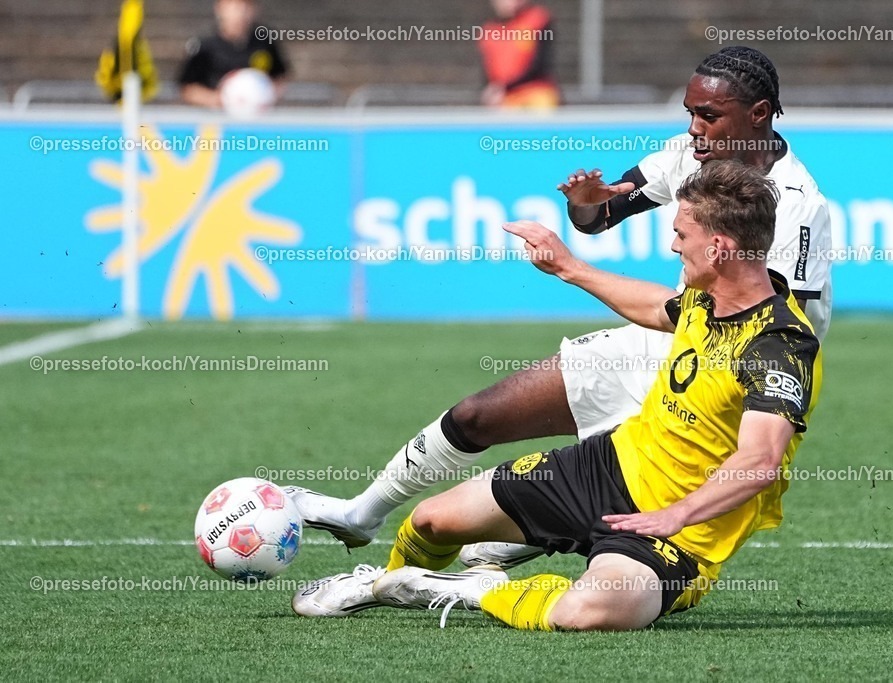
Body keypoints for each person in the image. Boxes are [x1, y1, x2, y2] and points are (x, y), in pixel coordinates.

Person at [285, 46, 832, 571]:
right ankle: (363, 514)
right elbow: (600, 218)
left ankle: (531, 541)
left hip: (726, 382)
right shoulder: (689, 155)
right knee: (480, 414)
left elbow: (777, 328)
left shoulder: (797, 206)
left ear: (758, 114)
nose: (694, 128)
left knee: (585, 503)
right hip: (668, 335)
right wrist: (586, 203)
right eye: (690, 113)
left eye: (708, 116)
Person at [292, 160, 823, 631]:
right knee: (433, 519)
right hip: (606, 467)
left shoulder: (777, 345)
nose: (672, 245)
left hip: (674, 536)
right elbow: (659, 307)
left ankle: (486, 589)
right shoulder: (707, 299)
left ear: (721, 247)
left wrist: (676, 515)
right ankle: (382, 583)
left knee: (593, 610)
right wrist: (568, 267)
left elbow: (759, 461)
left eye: (682, 234)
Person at [178, 0, 288, 109]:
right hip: (216, 120)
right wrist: (218, 99)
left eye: (246, 7)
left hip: (256, 119)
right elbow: (187, 88)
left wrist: (265, 95)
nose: (240, 13)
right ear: (220, 8)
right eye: (234, 6)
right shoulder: (204, 46)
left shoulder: (264, 40)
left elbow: (280, 76)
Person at [478, 0, 559, 108]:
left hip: (536, 92)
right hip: (505, 98)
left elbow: (540, 64)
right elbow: (488, 69)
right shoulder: (489, 30)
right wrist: (492, 90)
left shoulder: (537, 20)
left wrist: (507, 87)